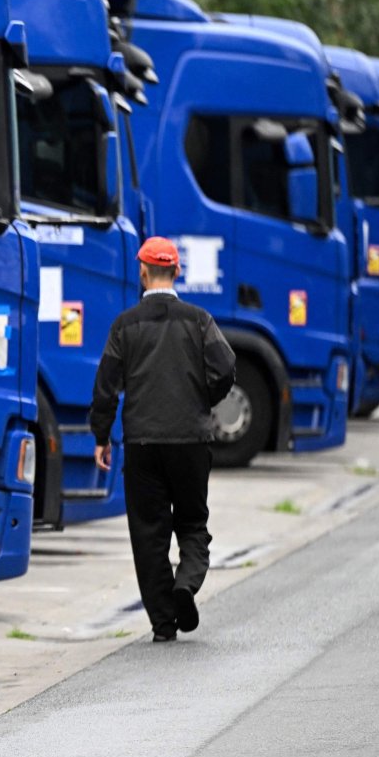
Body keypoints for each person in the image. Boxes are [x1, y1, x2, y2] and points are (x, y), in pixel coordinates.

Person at [91, 237, 236, 643]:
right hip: (191, 440)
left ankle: (162, 624)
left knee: (148, 533)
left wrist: (101, 435)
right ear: (177, 271)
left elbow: (105, 387)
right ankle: (185, 585)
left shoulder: (125, 325)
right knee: (192, 524)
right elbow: (226, 367)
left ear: (142, 271)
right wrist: (204, 400)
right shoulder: (199, 319)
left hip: (142, 444)